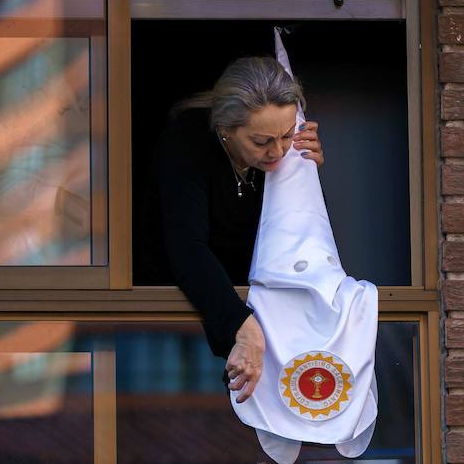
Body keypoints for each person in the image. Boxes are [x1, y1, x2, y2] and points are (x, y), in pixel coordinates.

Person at [135, 55, 323, 403]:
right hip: (174, 314)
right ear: (224, 129)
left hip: (246, 311)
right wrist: (239, 323)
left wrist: (305, 174)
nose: (277, 150)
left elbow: (294, 236)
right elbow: (186, 246)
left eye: (285, 135)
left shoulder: (286, 152)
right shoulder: (187, 142)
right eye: (261, 141)